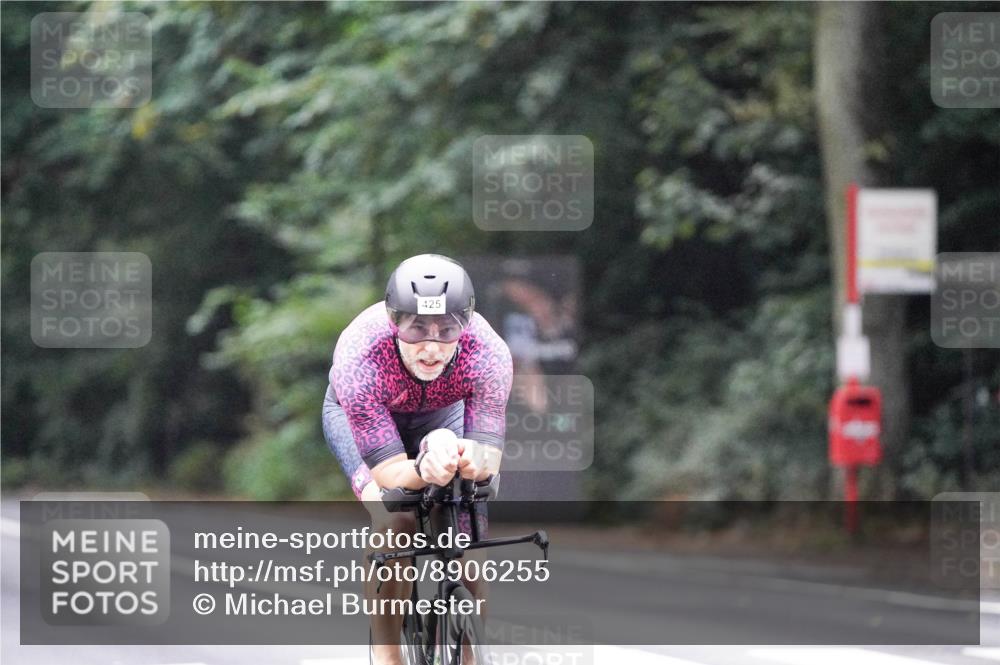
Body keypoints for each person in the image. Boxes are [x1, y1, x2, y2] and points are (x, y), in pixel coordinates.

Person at [322, 254, 513, 665]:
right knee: (396, 520)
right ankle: (388, 652)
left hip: (443, 413)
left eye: (446, 330)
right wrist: (425, 467)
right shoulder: (360, 355)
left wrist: (459, 458)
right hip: (364, 418)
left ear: (465, 325)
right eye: (416, 328)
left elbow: (487, 460)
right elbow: (390, 471)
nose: (431, 346)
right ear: (394, 323)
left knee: (469, 548)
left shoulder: (488, 354)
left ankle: (471, 654)